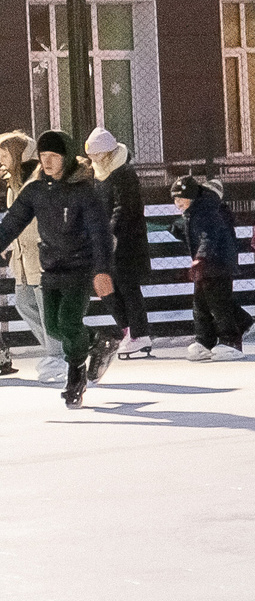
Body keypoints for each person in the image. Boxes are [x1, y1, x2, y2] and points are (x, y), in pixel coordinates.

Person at [0, 131, 113, 408]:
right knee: (53, 326)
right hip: (50, 266)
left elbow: (100, 233)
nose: (47, 162)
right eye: (43, 156)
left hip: (80, 267)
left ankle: (76, 378)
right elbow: (13, 222)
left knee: (68, 323)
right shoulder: (36, 189)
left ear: (66, 158)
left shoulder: (84, 190)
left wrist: (102, 270)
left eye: (54, 156)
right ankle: (99, 340)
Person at [85, 126, 152, 364]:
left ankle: (139, 333)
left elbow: (124, 207)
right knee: (106, 287)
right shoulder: (98, 173)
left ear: (106, 152)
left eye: (95, 153)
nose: (91, 158)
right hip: (105, 241)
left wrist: (111, 232)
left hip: (126, 243)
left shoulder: (124, 173)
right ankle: (128, 329)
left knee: (127, 287)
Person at [170, 175, 250, 360]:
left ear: (192, 196)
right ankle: (205, 341)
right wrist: (178, 230)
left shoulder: (207, 212)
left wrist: (201, 258)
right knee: (200, 305)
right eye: (175, 199)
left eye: (181, 198)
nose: (178, 203)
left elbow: (209, 237)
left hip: (218, 266)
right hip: (206, 268)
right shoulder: (194, 212)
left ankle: (231, 341)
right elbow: (196, 235)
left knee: (219, 305)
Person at [1, 130, 54, 378]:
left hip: (41, 256)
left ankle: (60, 357)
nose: (0, 157)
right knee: (24, 303)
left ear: (18, 153)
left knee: (47, 311)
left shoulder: (36, 182)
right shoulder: (12, 184)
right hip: (22, 259)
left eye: (4, 152)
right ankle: (64, 352)